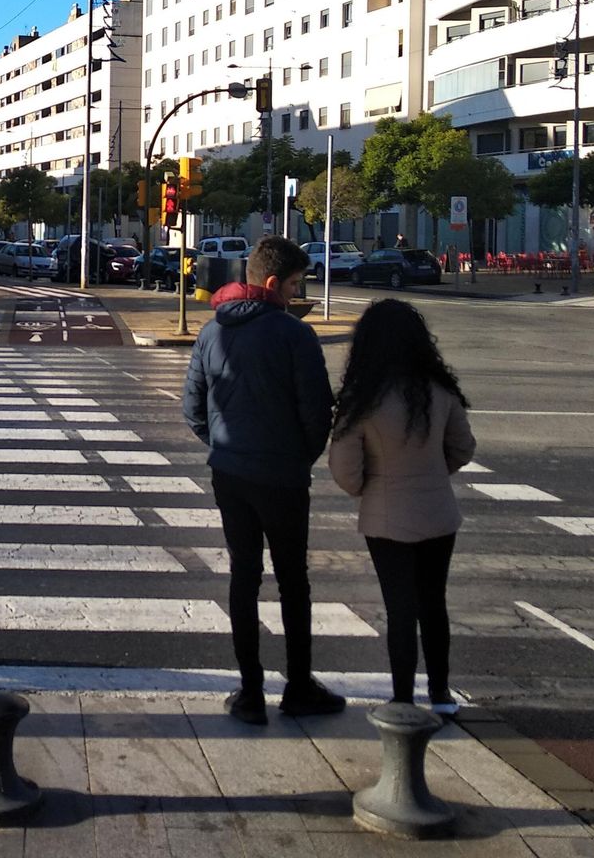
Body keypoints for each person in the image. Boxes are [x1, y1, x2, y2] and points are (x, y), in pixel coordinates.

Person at [183, 236, 343, 724]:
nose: (297, 294)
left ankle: (250, 691)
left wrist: (223, 445)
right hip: (283, 477)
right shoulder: (295, 335)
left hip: (230, 473)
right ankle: (298, 686)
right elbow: (317, 412)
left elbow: (192, 409)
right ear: (273, 283)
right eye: (294, 285)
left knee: (244, 576)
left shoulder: (212, 331)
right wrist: (299, 458)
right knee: (293, 581)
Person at [328, 300, 475, 716]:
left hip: (385, 515)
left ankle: (403, 697)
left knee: (400, 609)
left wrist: (370, 487)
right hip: (439, 512)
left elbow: (344, 469)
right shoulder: (439, 389)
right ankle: (441, 694)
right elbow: (463, 447)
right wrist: (434, 472)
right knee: (434, 604)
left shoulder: (362, 399)